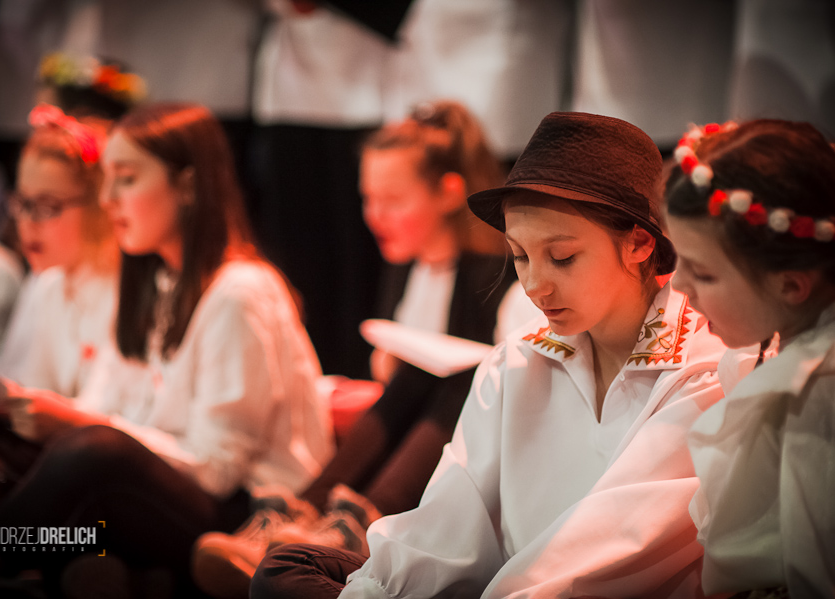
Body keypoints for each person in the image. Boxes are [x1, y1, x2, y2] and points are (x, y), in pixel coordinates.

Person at [250, 112, 733, 599]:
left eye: (562, 257)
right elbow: (450, 518)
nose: (535, 285)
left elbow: (613, 550)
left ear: (639, 243)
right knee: (286, 570)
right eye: (520, 256)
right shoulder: (517, 359)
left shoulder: (702, 369)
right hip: (495, 583)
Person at [0, 103, 333, 594]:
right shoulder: (156, 283)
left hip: (243, 520)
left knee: (94, 451)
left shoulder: (240, 291)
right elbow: (109, 406)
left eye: (125, 179)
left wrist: (78, 425)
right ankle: (79, 564)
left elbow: (216, 469)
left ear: (187, 186)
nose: (107, 199)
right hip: (168, 492)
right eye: (106, 180)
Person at [191, 100, 516, 598]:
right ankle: (303, 510)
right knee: (414, 374)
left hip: (469, 450)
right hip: (411, 433)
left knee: (456, 374)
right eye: (368, 199)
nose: (375, 217)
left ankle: (353, 523)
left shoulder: (493, 277)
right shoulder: (403, 271)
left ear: (449, 193)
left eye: (393, 201)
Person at [665, 119, 835, 598]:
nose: (678, 284)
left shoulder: (815, 392)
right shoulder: (772, 352)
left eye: (702, 272)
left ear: (791, 284)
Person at [0, 103, 118, 395]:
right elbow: (27, 384)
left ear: (96, 208)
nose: (28, 223)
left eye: (47, 206)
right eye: (22, 204)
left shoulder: (119, 291)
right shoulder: (47, 283)